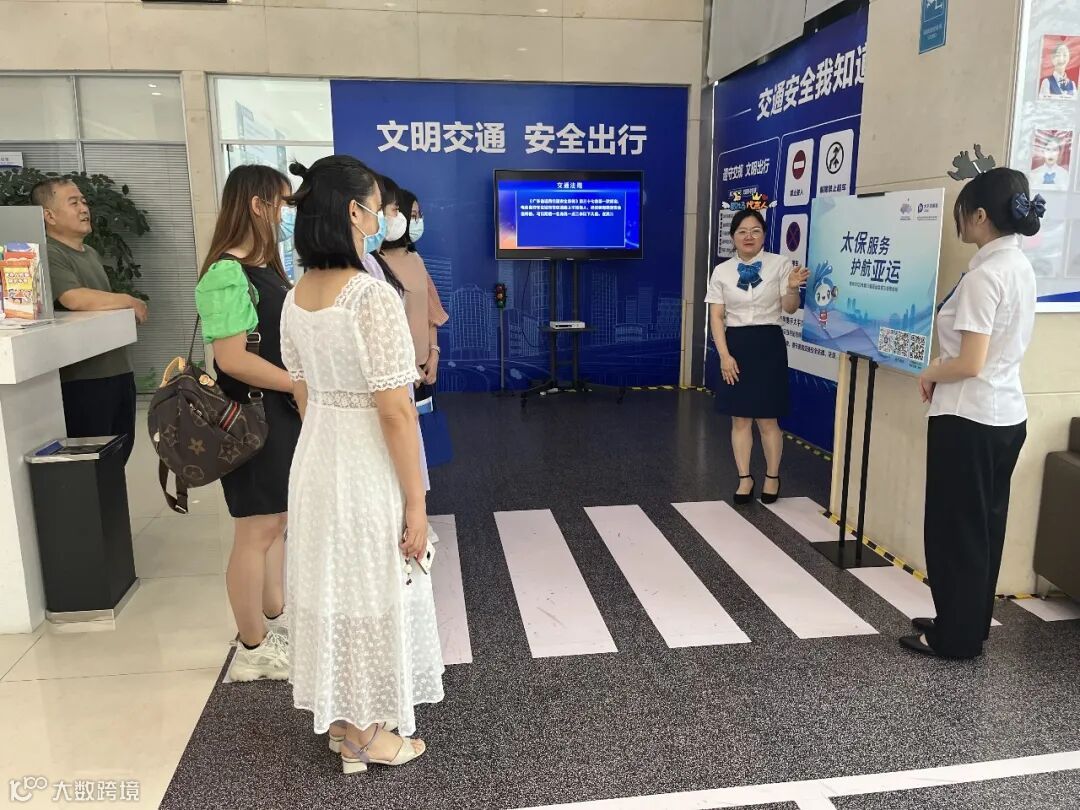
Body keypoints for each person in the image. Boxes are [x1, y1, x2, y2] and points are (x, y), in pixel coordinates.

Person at [280, 155, 443, 772]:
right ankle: (366, 733)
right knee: (373, 585)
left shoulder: (297, 296)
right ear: (354, 212)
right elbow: (396, 411)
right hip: (366, 464)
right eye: (378, 207)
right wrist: (416, 501)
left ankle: (344, 717)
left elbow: (302, 392)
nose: (383, 219)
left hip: (318, 458)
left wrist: (331, 432)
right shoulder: (370, 297)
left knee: (332, 587)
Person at [903, 168, 1042, 659]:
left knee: (954, 530)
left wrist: (930, 371)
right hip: (1005, 417)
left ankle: (956, 637)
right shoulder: (1019, 266)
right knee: (984, 527)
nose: (958, 221)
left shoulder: (986, 276)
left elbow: (969, 362)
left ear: (980, 215)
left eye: (962, 212)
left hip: (968, 418)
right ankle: (967, 622)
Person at [194, 165, 301, 682]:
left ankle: (275, 619)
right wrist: (296, 384)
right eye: (283, 203)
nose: (287, 214)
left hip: (276, 412)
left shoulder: (268, 269)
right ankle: (252, 646)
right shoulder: (226, 273)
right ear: (258, 205)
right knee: (255, 529)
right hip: (250, 417)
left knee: (276, 521)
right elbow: (232, 359)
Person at [32, 178, 148, 465]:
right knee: (93, 465)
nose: (84, 208)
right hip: (84, 379)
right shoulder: (49, 253)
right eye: (73, 203)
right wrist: (128, 300)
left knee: (118, 457)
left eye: (83, 201)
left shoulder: (91, 253)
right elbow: (74, 298)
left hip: (118, 370)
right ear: (49, 215)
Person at [706, 209, 808, 505]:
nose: (748, 236)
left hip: (768, 344)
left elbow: (790, 308)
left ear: (764, 235)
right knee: (740, 418)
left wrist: (792, 288)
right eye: (742, 231)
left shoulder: (780, 264)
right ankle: (745, 478)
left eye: (755, 231)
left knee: (767, 419)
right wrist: (724, 355)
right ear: (733, 237)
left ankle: (772, 477)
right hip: (736, 344)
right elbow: (716, 316)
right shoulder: (722, 271)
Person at [379, 187, 448, 387]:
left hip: (424, 368)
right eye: (412, 215)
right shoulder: (375, 264)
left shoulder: (416, 259)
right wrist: (407, 365)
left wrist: (434, 353)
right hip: (395, 371)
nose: (417, 221)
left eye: (419, 216)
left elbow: (430, 313)